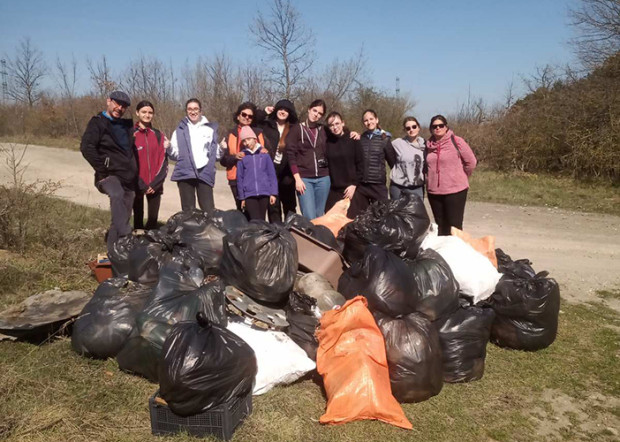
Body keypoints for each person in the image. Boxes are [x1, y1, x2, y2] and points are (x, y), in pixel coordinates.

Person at [80, 90, 137, 251]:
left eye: (124, 106)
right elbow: (86, 147)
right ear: (108, 101)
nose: (120, 108)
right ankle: (126, 235)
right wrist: (102, 169)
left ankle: (114, 251)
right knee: (116, 194)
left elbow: (130, 151)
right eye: (117, 103)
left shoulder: (126, 125)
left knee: (121, 215)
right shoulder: (98, 122)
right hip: (108, 175)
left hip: (127, 177)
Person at [425, 114, 477, 235]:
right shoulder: (428, 145)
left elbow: (471, 162)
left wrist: (461, 176)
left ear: (446, 127)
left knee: (455, 225)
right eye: (434, 126)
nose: (438, 128)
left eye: (441, 125)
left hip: (455, 190)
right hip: (434, 192)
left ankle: (456, 252)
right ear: (431, 129)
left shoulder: (457, 141)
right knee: (440, 225)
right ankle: (443, 252)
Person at [167, 98, 219, 212]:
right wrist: (169, 148)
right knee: (188, 211)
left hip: (204, 174)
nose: (193, 111)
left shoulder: (209, 130)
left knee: (208, 209)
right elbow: (175, 155)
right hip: (185, 173)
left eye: (196, 109)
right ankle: (190, 230)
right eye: (190, 109)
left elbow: (216, 155)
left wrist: (223, 149)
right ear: (186, 111)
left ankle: (208, 230)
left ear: (201, 111)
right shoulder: (179, 131)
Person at [254, 99, 298, 222]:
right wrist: (264, 112)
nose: (282, 112)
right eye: (280, 109)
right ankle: (276, 234)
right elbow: (253, 122)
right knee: (273, 207)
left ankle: (291, 232)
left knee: (289, 207)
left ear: (290, 113)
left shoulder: (294, 128)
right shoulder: (267, 125)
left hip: (287, 174)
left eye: (286, 110)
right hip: (269, 172)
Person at [220, 102, 268, 213]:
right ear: (238, 116)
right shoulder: (230, 134)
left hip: (255, 179)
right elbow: (223, 160)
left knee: (255, 213)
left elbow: (268, 154)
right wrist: (235, 157)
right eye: (244, 114)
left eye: (250, 116)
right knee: (241, 211)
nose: (247, 118)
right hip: (235, 178)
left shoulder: (258, 133)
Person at [286, 99, 330, 220]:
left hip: (323, 179)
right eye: (314, 110)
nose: (316, 114)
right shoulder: (296, 129)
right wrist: (297, 179)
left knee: (320, 215)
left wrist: (352, 133)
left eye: (320, 113)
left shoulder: (323, 130)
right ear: (309, 110)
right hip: (304, 179)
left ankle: (318, 239)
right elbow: (291, 155)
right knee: (309, 216)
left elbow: (339, 136)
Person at [348, 109, 396, 218]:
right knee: (359, 218)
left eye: (371, 119)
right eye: (366, 120)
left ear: (377, 119)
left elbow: (393, 162)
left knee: (382, 217)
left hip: (378, 185)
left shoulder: (385, 139)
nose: (369, 122)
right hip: (362, 186)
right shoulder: (360, 138)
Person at [132, 100, 168, 230]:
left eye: (150, 112)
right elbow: (128, 163)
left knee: (153, 220)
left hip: (155, 184)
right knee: (138, 219)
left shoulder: (158, 135)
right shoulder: (131, 134)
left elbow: (164, 161)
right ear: (137, 113)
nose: (147, 115)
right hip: (137, 184)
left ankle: (151, 245)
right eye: (144, 112)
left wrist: (155, 184)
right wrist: (141, 184)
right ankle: (138, 244)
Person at [236, 126, 278, 221]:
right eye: (244, 141)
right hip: (249, 195)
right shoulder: (242, 157)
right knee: (255, 220)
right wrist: (242, 197)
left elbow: (272, 175)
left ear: (255, 139)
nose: (246, 143)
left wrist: (273, 193)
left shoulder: (265, 155)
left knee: (262, 219)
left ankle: (262, 235)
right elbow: (240, 178)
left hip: (264, 193)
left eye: (249, 139)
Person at [324, 111, 359, 211]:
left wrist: (354, 185)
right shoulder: (328, 142)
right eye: (331, 125)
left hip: (351, 190)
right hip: (334, 190)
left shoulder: (353, 139)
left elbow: (361, 165)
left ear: (343, 123)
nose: (335, 127)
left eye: (337, 123)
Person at [389, 116, 426, 201]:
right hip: (398, 187)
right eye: (408, 128)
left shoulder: (425, 145)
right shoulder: (397, 143)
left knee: (417, 213)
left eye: (414, 127)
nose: (411, 130)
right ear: (405, 130)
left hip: (417, 187)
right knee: (397, 214)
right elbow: (383, 147)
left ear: (419, 127)